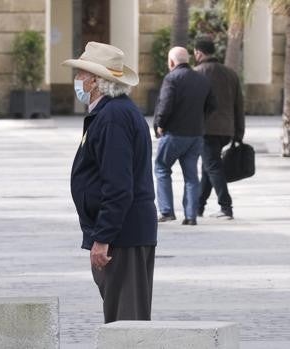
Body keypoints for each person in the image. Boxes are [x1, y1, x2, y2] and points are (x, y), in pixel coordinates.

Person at [62, 41, 157, 322]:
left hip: (122, 236)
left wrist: (103, 237)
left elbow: (118, 187)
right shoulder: (111, 113)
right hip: (122, 233)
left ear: (96, 81)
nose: (78, 80)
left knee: (126, 321)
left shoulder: (113, 117)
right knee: (122, 317)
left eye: (81, 74)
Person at [153, 47, 216, 226]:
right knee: (191, 176)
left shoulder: (171, 78)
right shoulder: (202, 79)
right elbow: (212, 104)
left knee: (162, 168)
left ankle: (166, 211)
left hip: (173, 134)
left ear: (171, 62)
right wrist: (200, 120)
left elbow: (165, 104)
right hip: (195, 135)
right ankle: (191, 216)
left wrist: (160, 124)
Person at [194, 38, 245, 219]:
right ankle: (198, 206)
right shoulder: (230, 74)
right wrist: (239, 132)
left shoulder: (197, 73)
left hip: (206, 129)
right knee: (209, 166)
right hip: (227, 130)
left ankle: (226, 207)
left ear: (198, 53)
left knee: (212, 166)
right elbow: (239, 105)